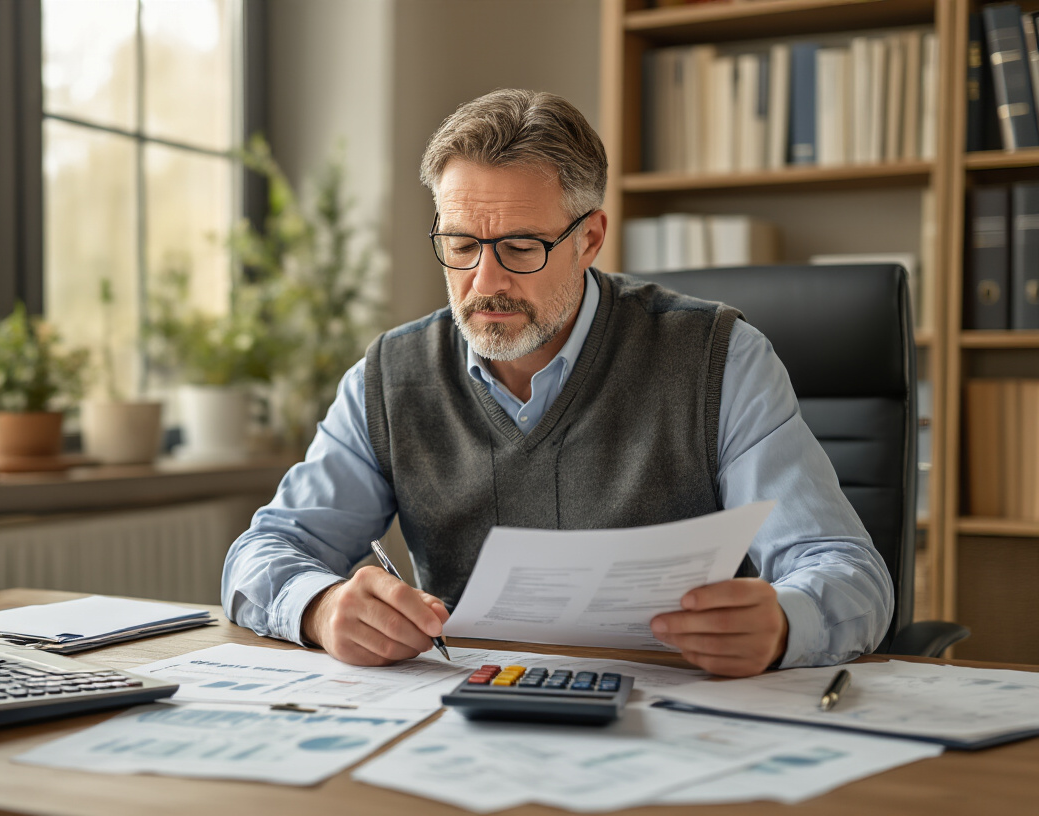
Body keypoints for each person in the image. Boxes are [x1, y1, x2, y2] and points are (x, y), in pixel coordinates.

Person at [222, 89, 893, 678]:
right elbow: (263, 550)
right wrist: (320, 606)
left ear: (590, 237)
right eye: (459, 245)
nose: (485, 283)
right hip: (470, 716)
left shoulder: (721, 359)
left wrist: (784, 623)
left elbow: (848, 571)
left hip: (679, 715)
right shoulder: (391, 376)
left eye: (520, 246)